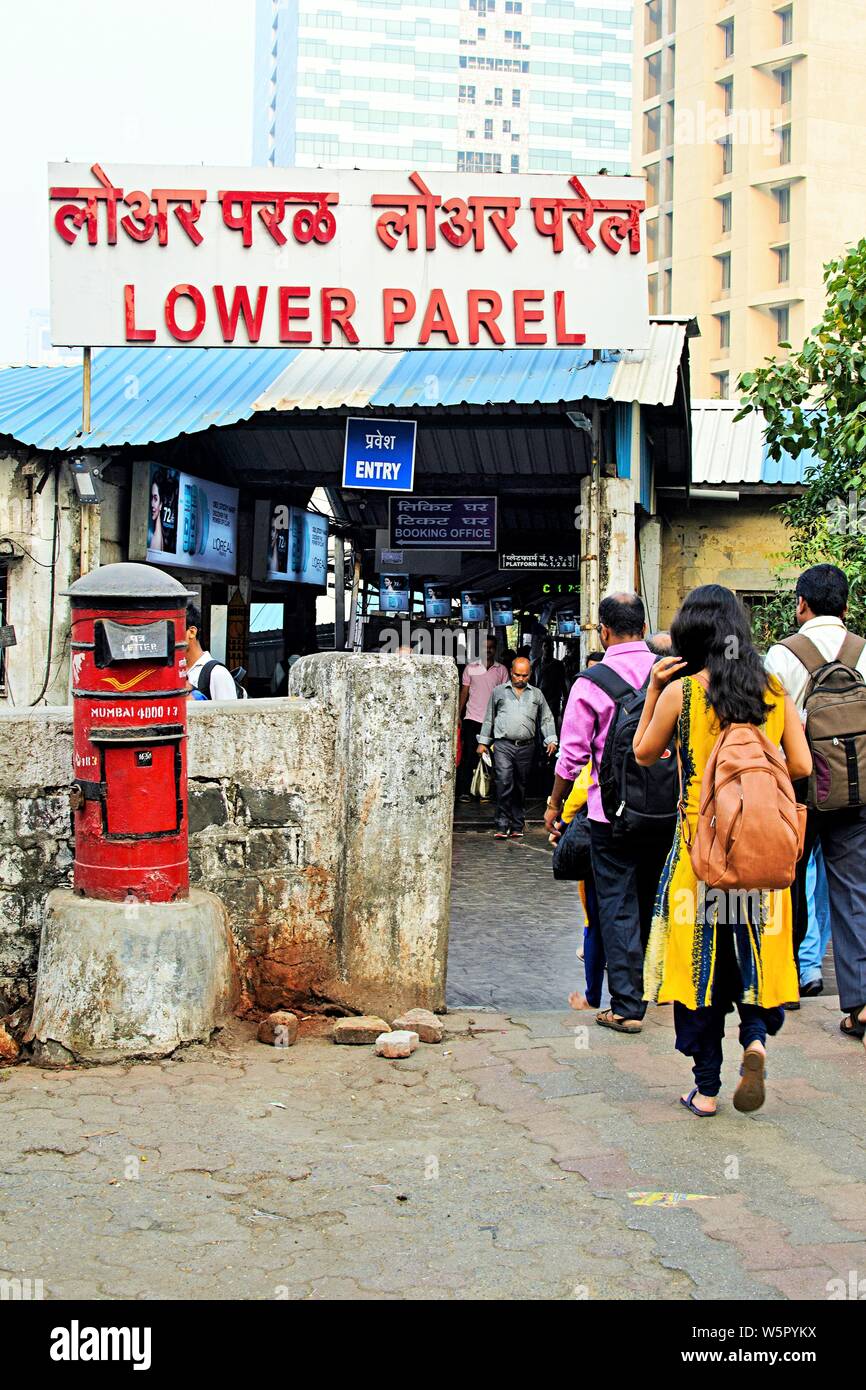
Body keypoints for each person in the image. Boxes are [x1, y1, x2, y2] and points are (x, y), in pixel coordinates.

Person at [635, 584, 812, 1116]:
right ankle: (755, 1038)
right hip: (760, 854)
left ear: (691, 633)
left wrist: (651, 692)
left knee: (700, 970)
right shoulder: (773, 689)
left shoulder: (683, 692)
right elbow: (801, 767)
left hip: (700, 856)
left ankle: (707, 1090)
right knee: (750, 954)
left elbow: (645, 754)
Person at [545, 593, 666, 1034]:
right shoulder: (668, 673)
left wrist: (555, 803)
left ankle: (627, 1006)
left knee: (614, 905)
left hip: (609, 815)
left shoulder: (592, 681)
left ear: (605, 630)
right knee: (651, 900)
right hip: (664, 813)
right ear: (644, 625)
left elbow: (572, 757)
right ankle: (651, 990)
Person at [765, 563, 866, 1040]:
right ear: (847, 607)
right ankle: (862, 1002)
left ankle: (785, 984)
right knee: (853, 893)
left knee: (786, 881)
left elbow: (766, 729)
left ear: (800, 604)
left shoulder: (782, 655)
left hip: (798, 787)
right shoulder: (864, 651)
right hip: (857, 789)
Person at [555, 650, 606, 1012]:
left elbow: (578, 770)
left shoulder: (592, 695)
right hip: (658, 823)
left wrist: (556, 812)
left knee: (596, 919)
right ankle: (639, 993)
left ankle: (592, 995)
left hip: (601, 825)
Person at [478, 655, 557, 839]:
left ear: (530, 675)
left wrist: (551, 739)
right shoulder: (499, 692)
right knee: (504, 781)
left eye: (525, 675)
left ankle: (517, 824)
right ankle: (502, 824)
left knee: (520, 785)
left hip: (526, 746)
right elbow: (489, 717)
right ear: (511, 672)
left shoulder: (536, 694)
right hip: (503, 744)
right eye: (517, 675)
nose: (520, 679)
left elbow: (546, 718)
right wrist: (483, 742)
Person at [457, 634, 508, 800]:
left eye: (491, 647)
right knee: (469, 756)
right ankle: (465, 791)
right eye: (485, 647)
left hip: (493, 721)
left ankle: (487, 791)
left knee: (492, 758)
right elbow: (464, 692)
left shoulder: (502, 670)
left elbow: (505, 697)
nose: (488, 650)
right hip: (472, 719)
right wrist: (458, 715)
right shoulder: (470, 668)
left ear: (495, 649)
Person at [185, 604, 239, 701]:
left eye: (173, 631)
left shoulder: (217, 673)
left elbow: (227, 714)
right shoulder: (176, 671)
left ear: (192, 632)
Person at [534, 637, 569, 727]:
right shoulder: (536, 664)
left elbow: (562, 682)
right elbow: (531, 682)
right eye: (545, 646)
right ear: (542, 648)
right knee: (539, 726)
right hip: (538, 699)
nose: (547, 648)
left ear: (553, 648)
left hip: (553, 701)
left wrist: (565, 697)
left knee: (551, 725)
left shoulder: (558, 665)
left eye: (550, 646)